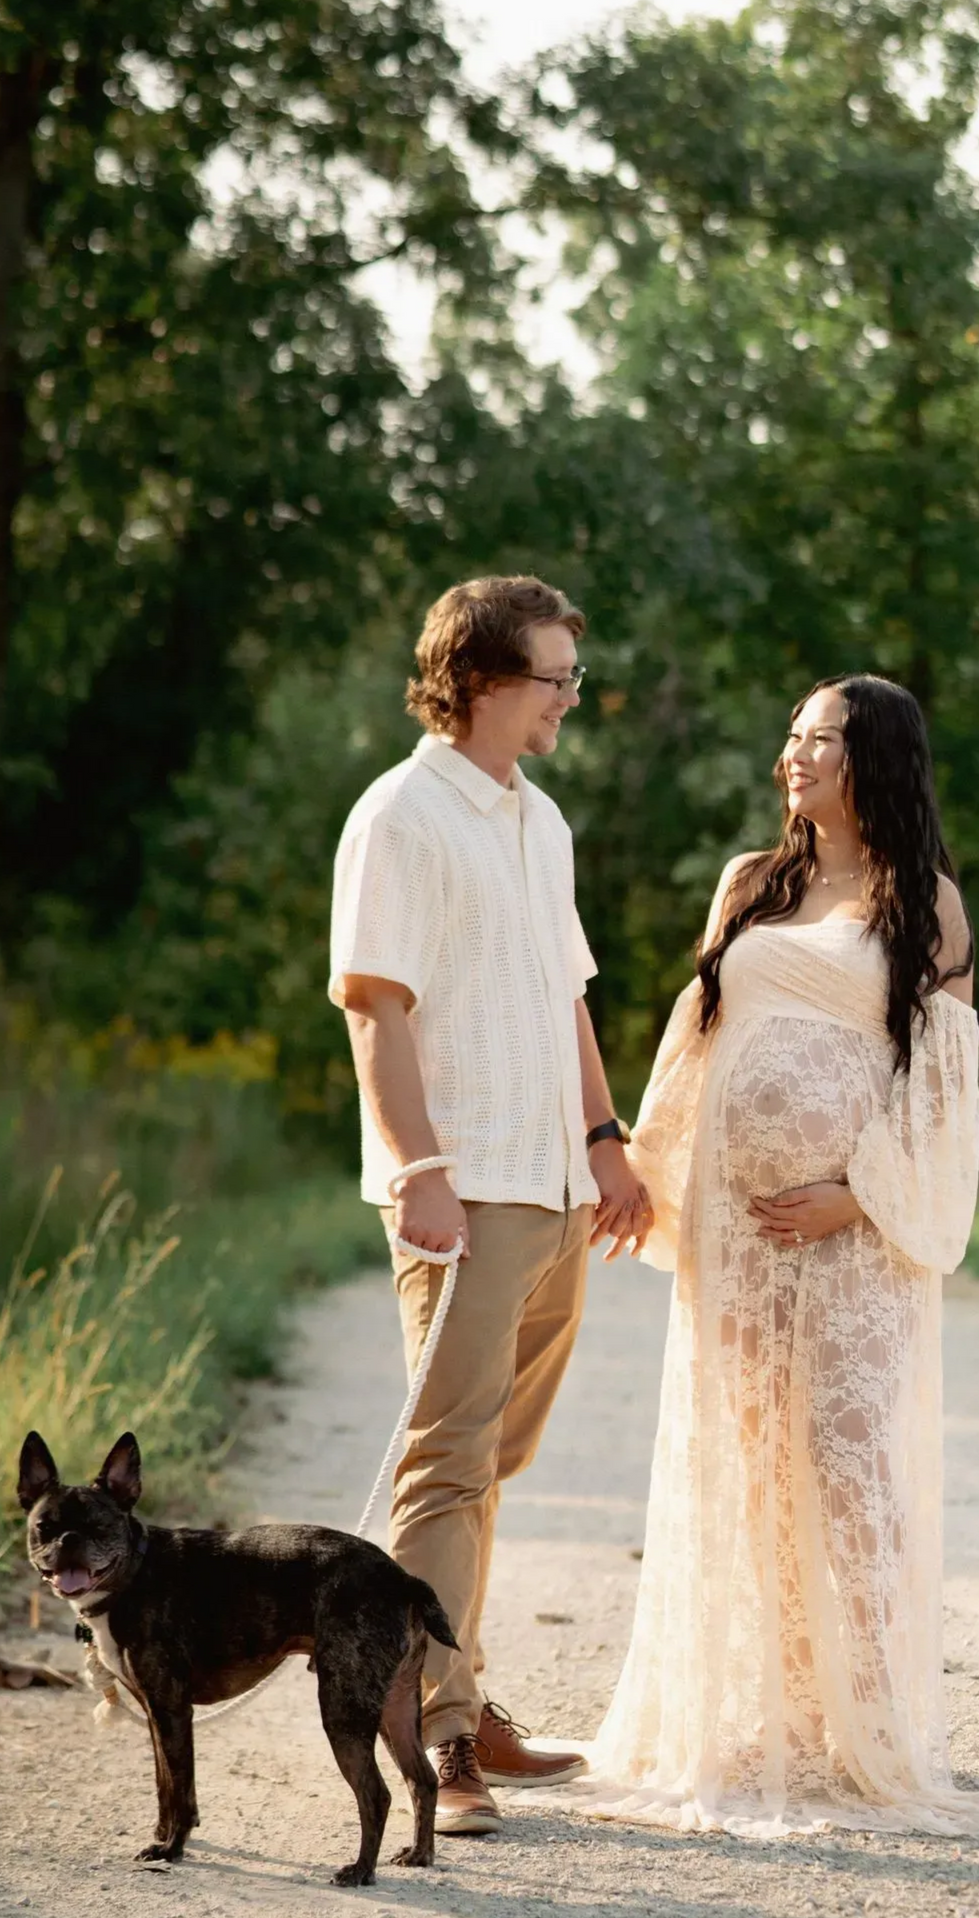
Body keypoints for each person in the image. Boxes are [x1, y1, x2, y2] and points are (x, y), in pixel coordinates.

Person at [565, 674, 979, 1837]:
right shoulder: (748, 887)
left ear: (876, 759)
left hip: (856, 1239)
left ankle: (865, 1726)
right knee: (746, 1460)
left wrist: (855, 1200)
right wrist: (643, 1177)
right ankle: (763, 1721)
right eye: (791, 737)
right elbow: (695, 1050)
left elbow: (941, 1098)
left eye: (816, 739)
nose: (791, 758)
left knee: (852, 1462)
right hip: (734, 1235)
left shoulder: (931, 906)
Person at [328, 576, 654, 1838]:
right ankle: (435, 1738)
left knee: (491, 1467)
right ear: (477, 681)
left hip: (558, 1183)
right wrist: (418, 1167)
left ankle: (458, 1689)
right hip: (467, 1189)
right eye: (554, 678)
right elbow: (374, 1001)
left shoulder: (541, 817)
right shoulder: (401, 816)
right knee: (449, 1463)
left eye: (573, 675)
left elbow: (568, 994)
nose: (571, 698)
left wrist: (606, 1139)